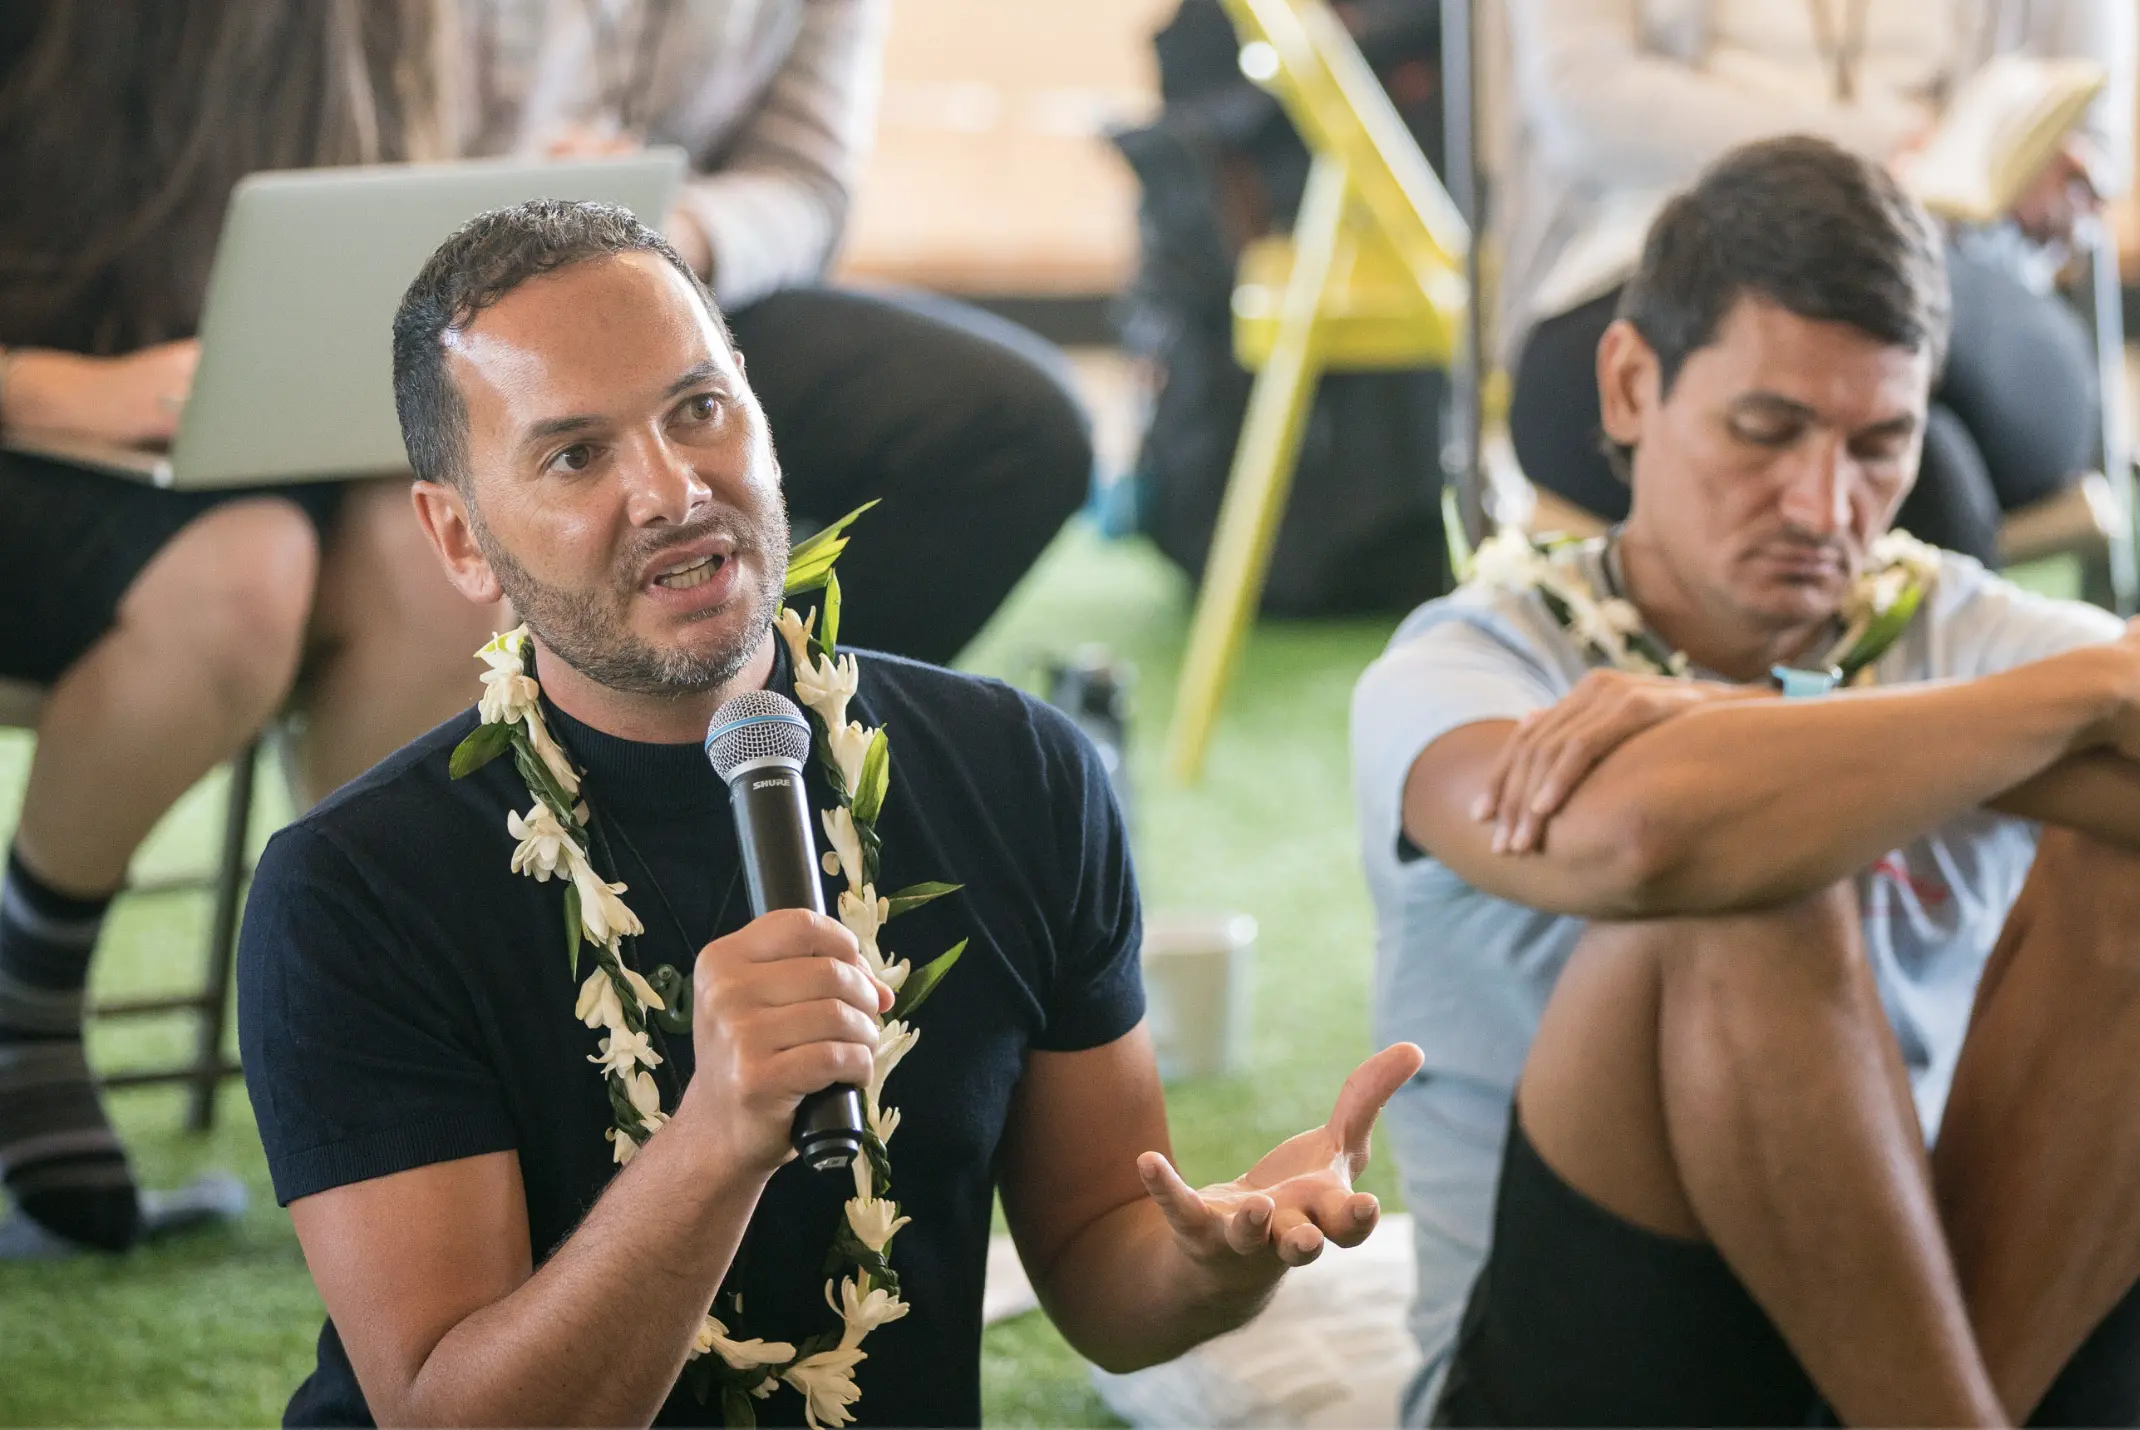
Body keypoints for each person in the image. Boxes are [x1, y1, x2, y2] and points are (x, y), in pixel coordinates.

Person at [235, 198, 1424, 1427]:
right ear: (460, 535)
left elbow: (1101, 1260)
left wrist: (1214, 1256)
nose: (670, 489)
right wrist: (718, 1134)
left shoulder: (1018, 773)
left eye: (697, 409)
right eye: (576, 454)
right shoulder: (355, 889)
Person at [1355, 136, 2140, 1426]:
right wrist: (2097, 690)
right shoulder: (1466, 660)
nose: (1825, 504)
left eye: (1880, 445)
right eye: (1766, 429)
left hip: (1932, 1324)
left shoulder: (1962, 629)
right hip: (1581, 1367)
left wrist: (1763, 722)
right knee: (1746, 884)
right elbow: (1647, 838)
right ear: (1627, 386)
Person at [0, 0, 503, 1256]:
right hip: (38, 433)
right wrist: (65, 388)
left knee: (443, 559)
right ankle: (28, 1003)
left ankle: (374, 1028)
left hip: (216, 449)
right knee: (242, 577)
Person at [458, 0, 1093, 664]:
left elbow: (807, 185)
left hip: (686, 287)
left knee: (1020, 428)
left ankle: (779, 721)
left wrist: (666, 234)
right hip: (444, 296)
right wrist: (536, 212)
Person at [1496, 0, 2135, 568]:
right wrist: (1901, 146)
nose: (1823, 510)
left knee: (1910, 445)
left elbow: (2084, 108)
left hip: (1958, 256)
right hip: (1657, 248)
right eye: (1762, 426)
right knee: (1925, 465)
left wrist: (2054, 163)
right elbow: (1584, 100)